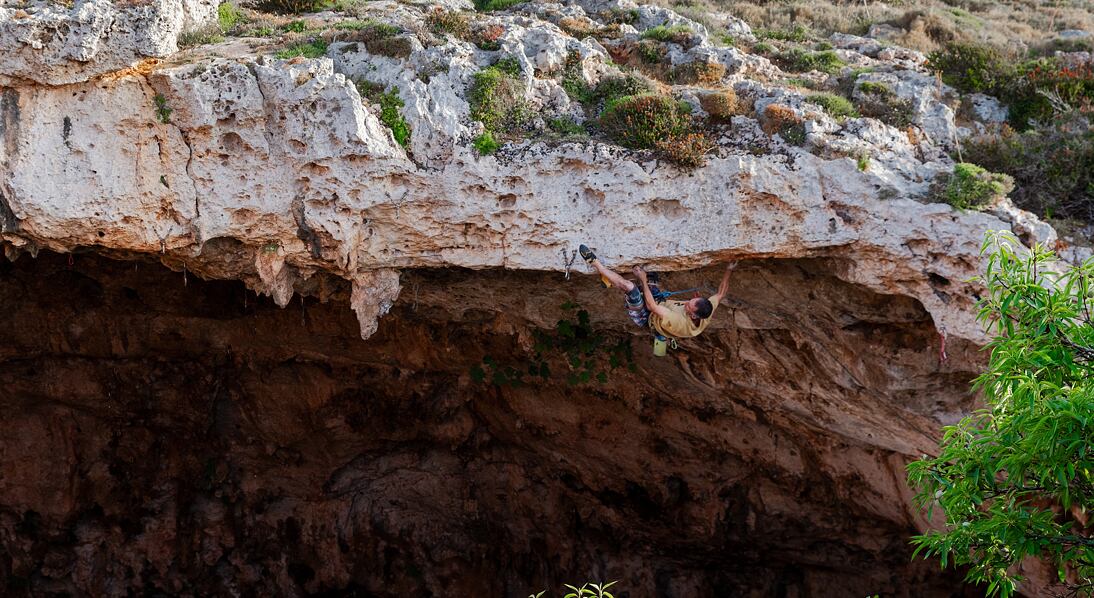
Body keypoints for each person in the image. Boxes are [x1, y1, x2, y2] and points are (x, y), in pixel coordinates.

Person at [579, 244, 734, 339]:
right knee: (649, 272)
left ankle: (595, 263)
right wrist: (729, 269)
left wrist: (643, 280)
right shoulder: (706, 310)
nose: (686, 303)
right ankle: (610, 281)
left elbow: (652, 307)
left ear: (693, 315)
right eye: (690, 301)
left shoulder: (680, 322)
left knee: (631, 288)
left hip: (647, 317)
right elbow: (721, 293)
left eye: (688, 306)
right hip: (659, 303)